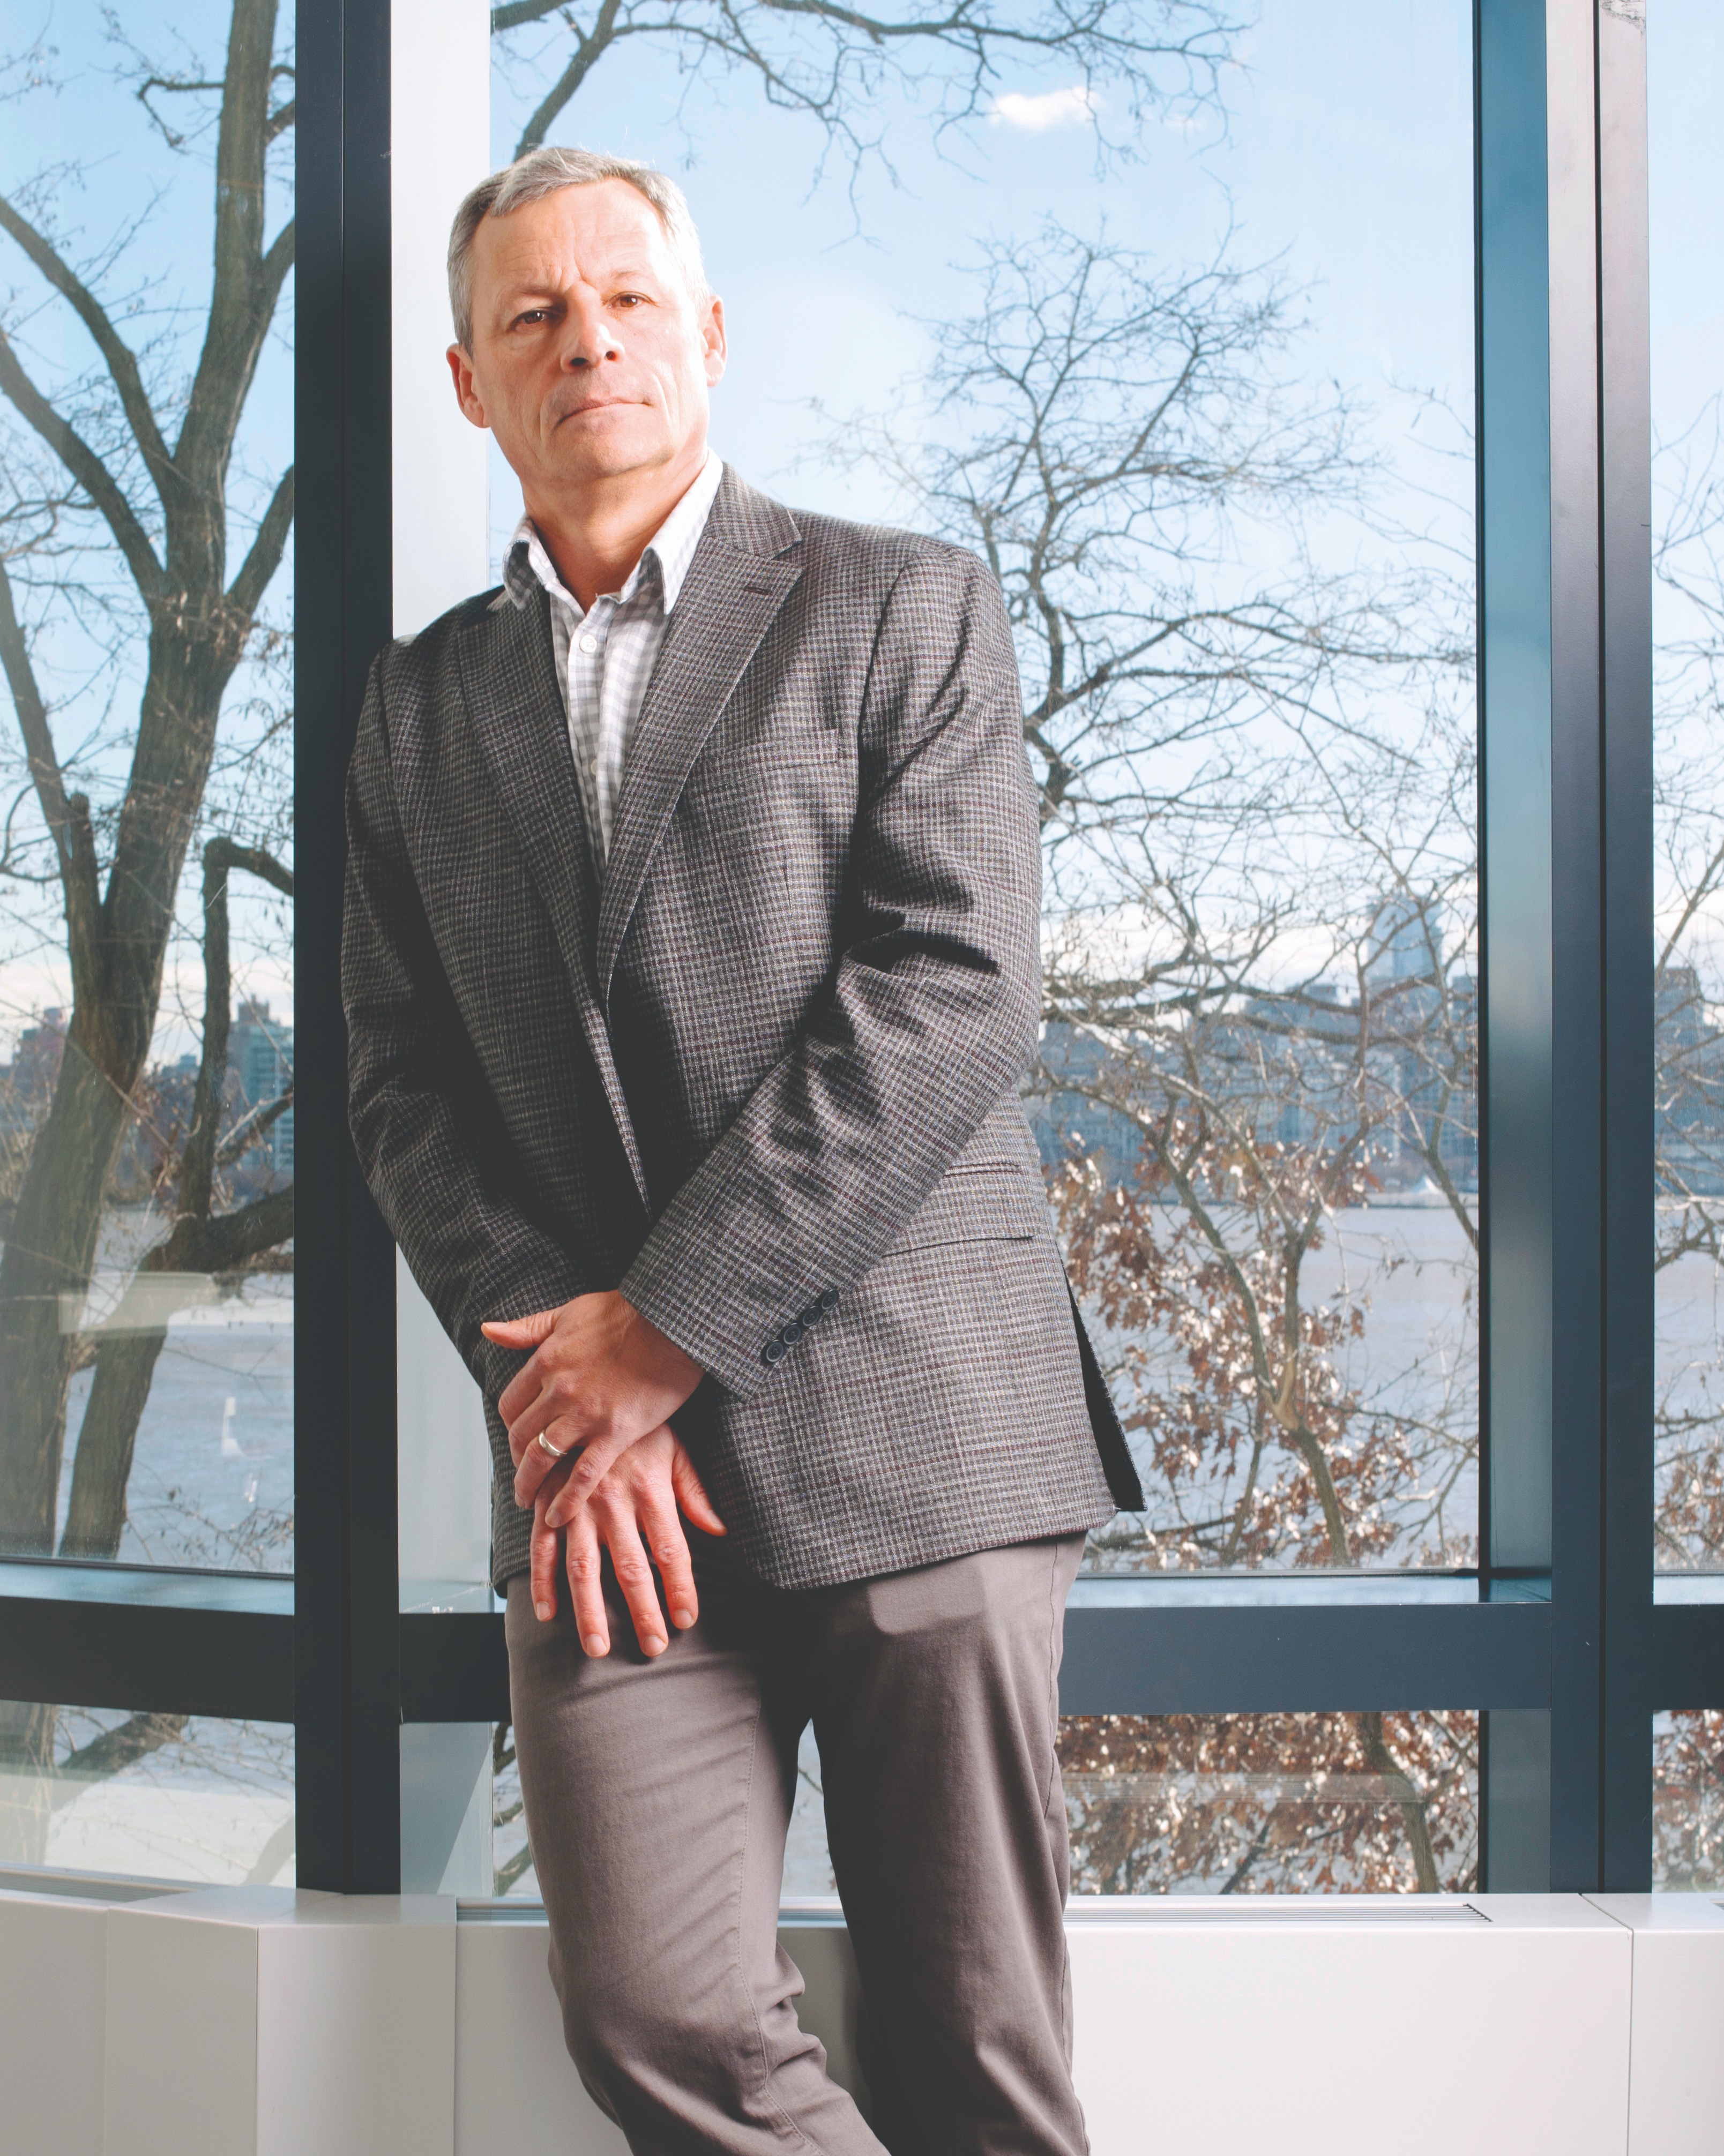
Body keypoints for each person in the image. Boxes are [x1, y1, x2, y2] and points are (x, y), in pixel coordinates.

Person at [342, 144, 1143, 2156]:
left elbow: (951, 987)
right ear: (469, 383)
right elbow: (397, 1086)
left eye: (626, 301)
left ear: (707, 336)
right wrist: (575, 1386)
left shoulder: (902, 605)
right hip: (613, 1491)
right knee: (655, 2014)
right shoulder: (416, 707)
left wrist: (667, 1328)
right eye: (531, 314)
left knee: (975, 2056)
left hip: (917, 1437)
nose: (585, 339)